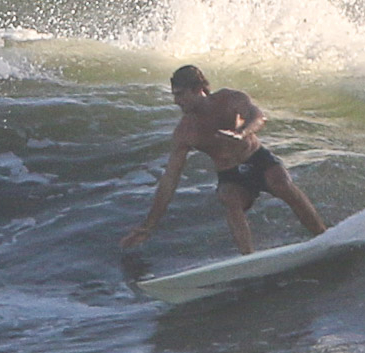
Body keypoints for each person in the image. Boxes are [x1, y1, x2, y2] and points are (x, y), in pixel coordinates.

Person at [121, 65, 327, 255]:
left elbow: (258, 116)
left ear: (199, 89)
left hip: (256, 158)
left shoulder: (229, 99)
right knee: (229, 197)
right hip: (230, 174)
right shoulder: (185, 132)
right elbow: (169, 180)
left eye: (181, 95)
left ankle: (323, 235)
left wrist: (242, 133)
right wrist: (149, 225)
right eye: (174, 95)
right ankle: (249, 258)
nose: (176, 101)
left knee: (280, 181)